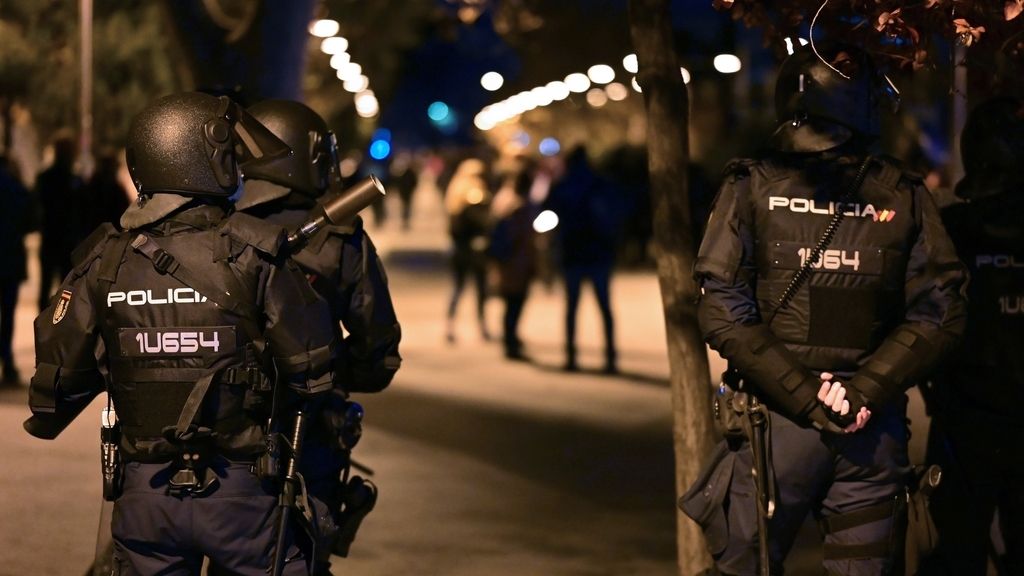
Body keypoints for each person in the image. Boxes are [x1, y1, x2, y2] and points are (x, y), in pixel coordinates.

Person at [682, 44, 967, 575]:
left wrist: (807, 395)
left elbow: (721, 307)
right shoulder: (903, 192)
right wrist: (862, 393)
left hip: (775, 425)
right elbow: (940, 312)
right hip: (869, 428)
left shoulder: (751, 184)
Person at [25, 91, 336, 575]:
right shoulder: (255, 254)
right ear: (211, 159)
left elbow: (54, 385)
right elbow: (312, 371)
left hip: (145, 496)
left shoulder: (105, 260)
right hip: (244, 494)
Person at [237, 98, 402, 573]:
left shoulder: (211, 228)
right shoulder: (338, 237)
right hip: (305, 434)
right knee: (303, 556)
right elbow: (378, 353)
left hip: (216, 434)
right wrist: (325, 369)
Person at [918, 96, 1024, 575]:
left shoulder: (952, 231)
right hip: (967, 417)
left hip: (964, 421)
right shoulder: (953, 230)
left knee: (955, 553)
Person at [543, 146, 621, 373]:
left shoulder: (563, 185)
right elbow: (615, 214)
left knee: (572, 307)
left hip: (573, 254)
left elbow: (546, 209)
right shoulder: (600, 183)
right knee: (604, 307)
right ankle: (610, 357)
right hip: (598, 253)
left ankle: (571, 356)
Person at [488, 160, 539, 360]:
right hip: (517, 262)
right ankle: (510, 342)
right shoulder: (519, 206)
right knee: (514, 304)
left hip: (507, 262)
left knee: (510, 303)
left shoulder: (503, 198)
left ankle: (511, 339)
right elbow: (521, 237)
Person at [444, 157, 493, 343]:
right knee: (464, 288)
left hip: (465, 249)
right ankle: (455, 326)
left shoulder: (460, 197)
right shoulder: (465, 199)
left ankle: (479, 325)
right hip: (466, 250)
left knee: (472, 289)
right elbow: (481, 224)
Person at [34, 135, 83, 311]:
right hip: (65, 240)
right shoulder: (73, 180)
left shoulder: (45, 178)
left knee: (48, 285)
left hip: (53, 238)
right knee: (66, 288)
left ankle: (44, 321)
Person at [0, 155, 30, 385]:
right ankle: (7, 362)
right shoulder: (16, 188)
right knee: (8, 313)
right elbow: (31, 221)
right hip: (10, 257)